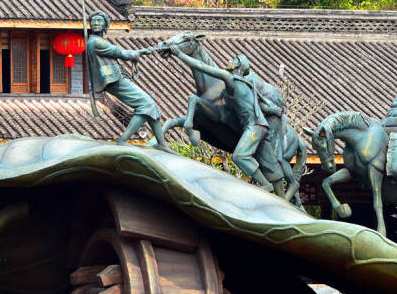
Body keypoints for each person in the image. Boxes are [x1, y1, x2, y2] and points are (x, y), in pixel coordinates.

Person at [168, 48, 275, 191]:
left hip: (254, 126)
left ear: (237, 66)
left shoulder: (231, 78)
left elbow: (203, 67)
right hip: (257, 126)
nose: (230, 61)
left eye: (234, 59)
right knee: (240, 156)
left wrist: (180, 54)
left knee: (239, 157)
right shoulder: (245, 83)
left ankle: (266, 185)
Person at [85, 11, 167, 148]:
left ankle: (162, 144)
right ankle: (123, 140)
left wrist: (139, 53)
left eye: (99, 21)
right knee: (147, 105)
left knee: (151, 105)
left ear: (105, 24)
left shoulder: (97, 41)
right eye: (94, 21)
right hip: (113, 80)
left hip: (115, 77)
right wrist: (138, 53)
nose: (96, 23)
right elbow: (121, 53)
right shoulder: (96, 42)